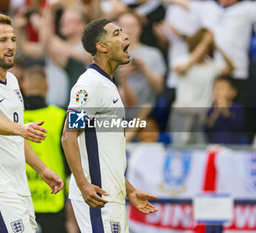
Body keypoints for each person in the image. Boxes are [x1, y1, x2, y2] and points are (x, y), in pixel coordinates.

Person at [0, 13, 64, 233]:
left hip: (19, 186)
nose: (10, 46)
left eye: (13, 39)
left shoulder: (13, 81)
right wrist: (22, 129)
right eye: (2, 40)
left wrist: (43, 170)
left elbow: (16, 137)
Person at [61, 18, 158, 233]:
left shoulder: (108, 85)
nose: (126, 36)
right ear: (101, 47)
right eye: (116, 34)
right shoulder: (89, 84)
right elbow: (68, 136)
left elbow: (105, 157)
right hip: (97, 198)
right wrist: (83, 184)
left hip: (111, 198)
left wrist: (130, 190)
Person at [22, 65, 69, 233]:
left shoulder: (14, 119)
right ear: (47, 86)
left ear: (24, 87)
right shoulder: (61, 115)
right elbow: (71, 157)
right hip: (53, 197)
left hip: (22, 199)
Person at [204, 75, 246, 144]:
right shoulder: (211, 110)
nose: (218, 92)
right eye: (216, 89)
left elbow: (237, 126)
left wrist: (225, 110)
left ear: (233, 92)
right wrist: (216, 113)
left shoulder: (238, 108)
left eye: (222, 88)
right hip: (215, 146)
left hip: (234, 146)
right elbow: (207, 130)